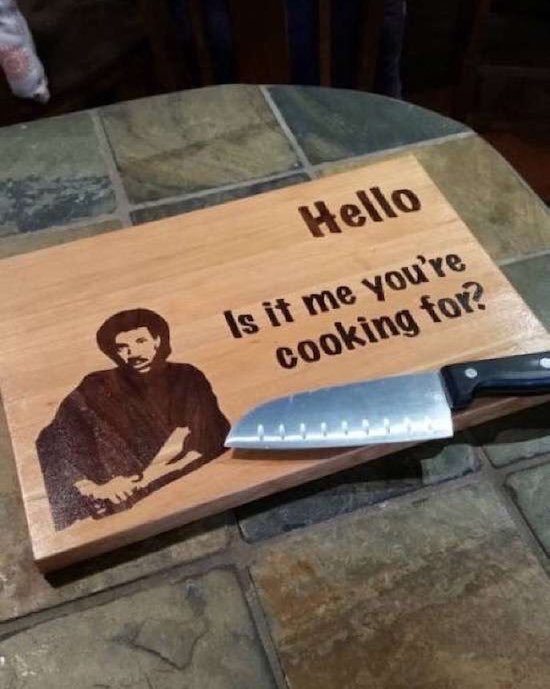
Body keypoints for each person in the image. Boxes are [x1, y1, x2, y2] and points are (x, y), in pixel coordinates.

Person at [36, 308, 230, 530]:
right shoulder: (96, 384)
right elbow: (54, 439)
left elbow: (209, 436)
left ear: (157, 340)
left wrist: (140, 481)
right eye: (122, 347)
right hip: (99, 497)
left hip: (163, 485)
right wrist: (90, 487)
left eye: (140, 341)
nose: (132, 353)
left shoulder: (186, 376)